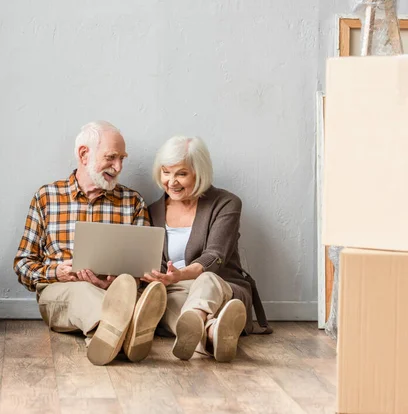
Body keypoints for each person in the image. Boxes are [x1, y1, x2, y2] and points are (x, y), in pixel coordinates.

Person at [14, 121, 167, 366]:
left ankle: (106, 335)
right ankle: (130, 328)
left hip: (116, 291)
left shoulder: (132, 202)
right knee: (83, 290)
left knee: (126, 285)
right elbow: (22, 265)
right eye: (111, 157)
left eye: (122, 159)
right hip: (61, 292)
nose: (118, 167)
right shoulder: (46, 198)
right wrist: (57, 273)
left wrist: (116, 282)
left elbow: (146, 265)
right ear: (84, 154)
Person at [142, 135, 272, 362]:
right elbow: (155, 260)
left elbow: (215, 256)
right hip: (178, 291)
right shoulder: (153, 210)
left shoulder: (226, 203)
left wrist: (182, 274)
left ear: (199, 172)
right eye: (166, 172)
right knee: (167, 303)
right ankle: (213, 334)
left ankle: (196, 318)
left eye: (181, 173)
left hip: (224, 288)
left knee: (206, 280)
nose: (172, 181)